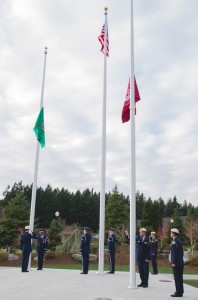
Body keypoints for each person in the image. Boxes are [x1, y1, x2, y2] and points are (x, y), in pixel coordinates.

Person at [170, 228, 184, 298]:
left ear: (173, 233)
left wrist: (173, 262)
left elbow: (174, 253)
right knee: (179, 278)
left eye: (171, 233)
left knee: (177, 278)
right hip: (180, 262)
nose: (170, 234)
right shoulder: (179, 240)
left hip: (176, 263)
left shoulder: (174, 241)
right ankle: (180, 291)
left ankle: (178, 292)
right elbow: (181, 252)